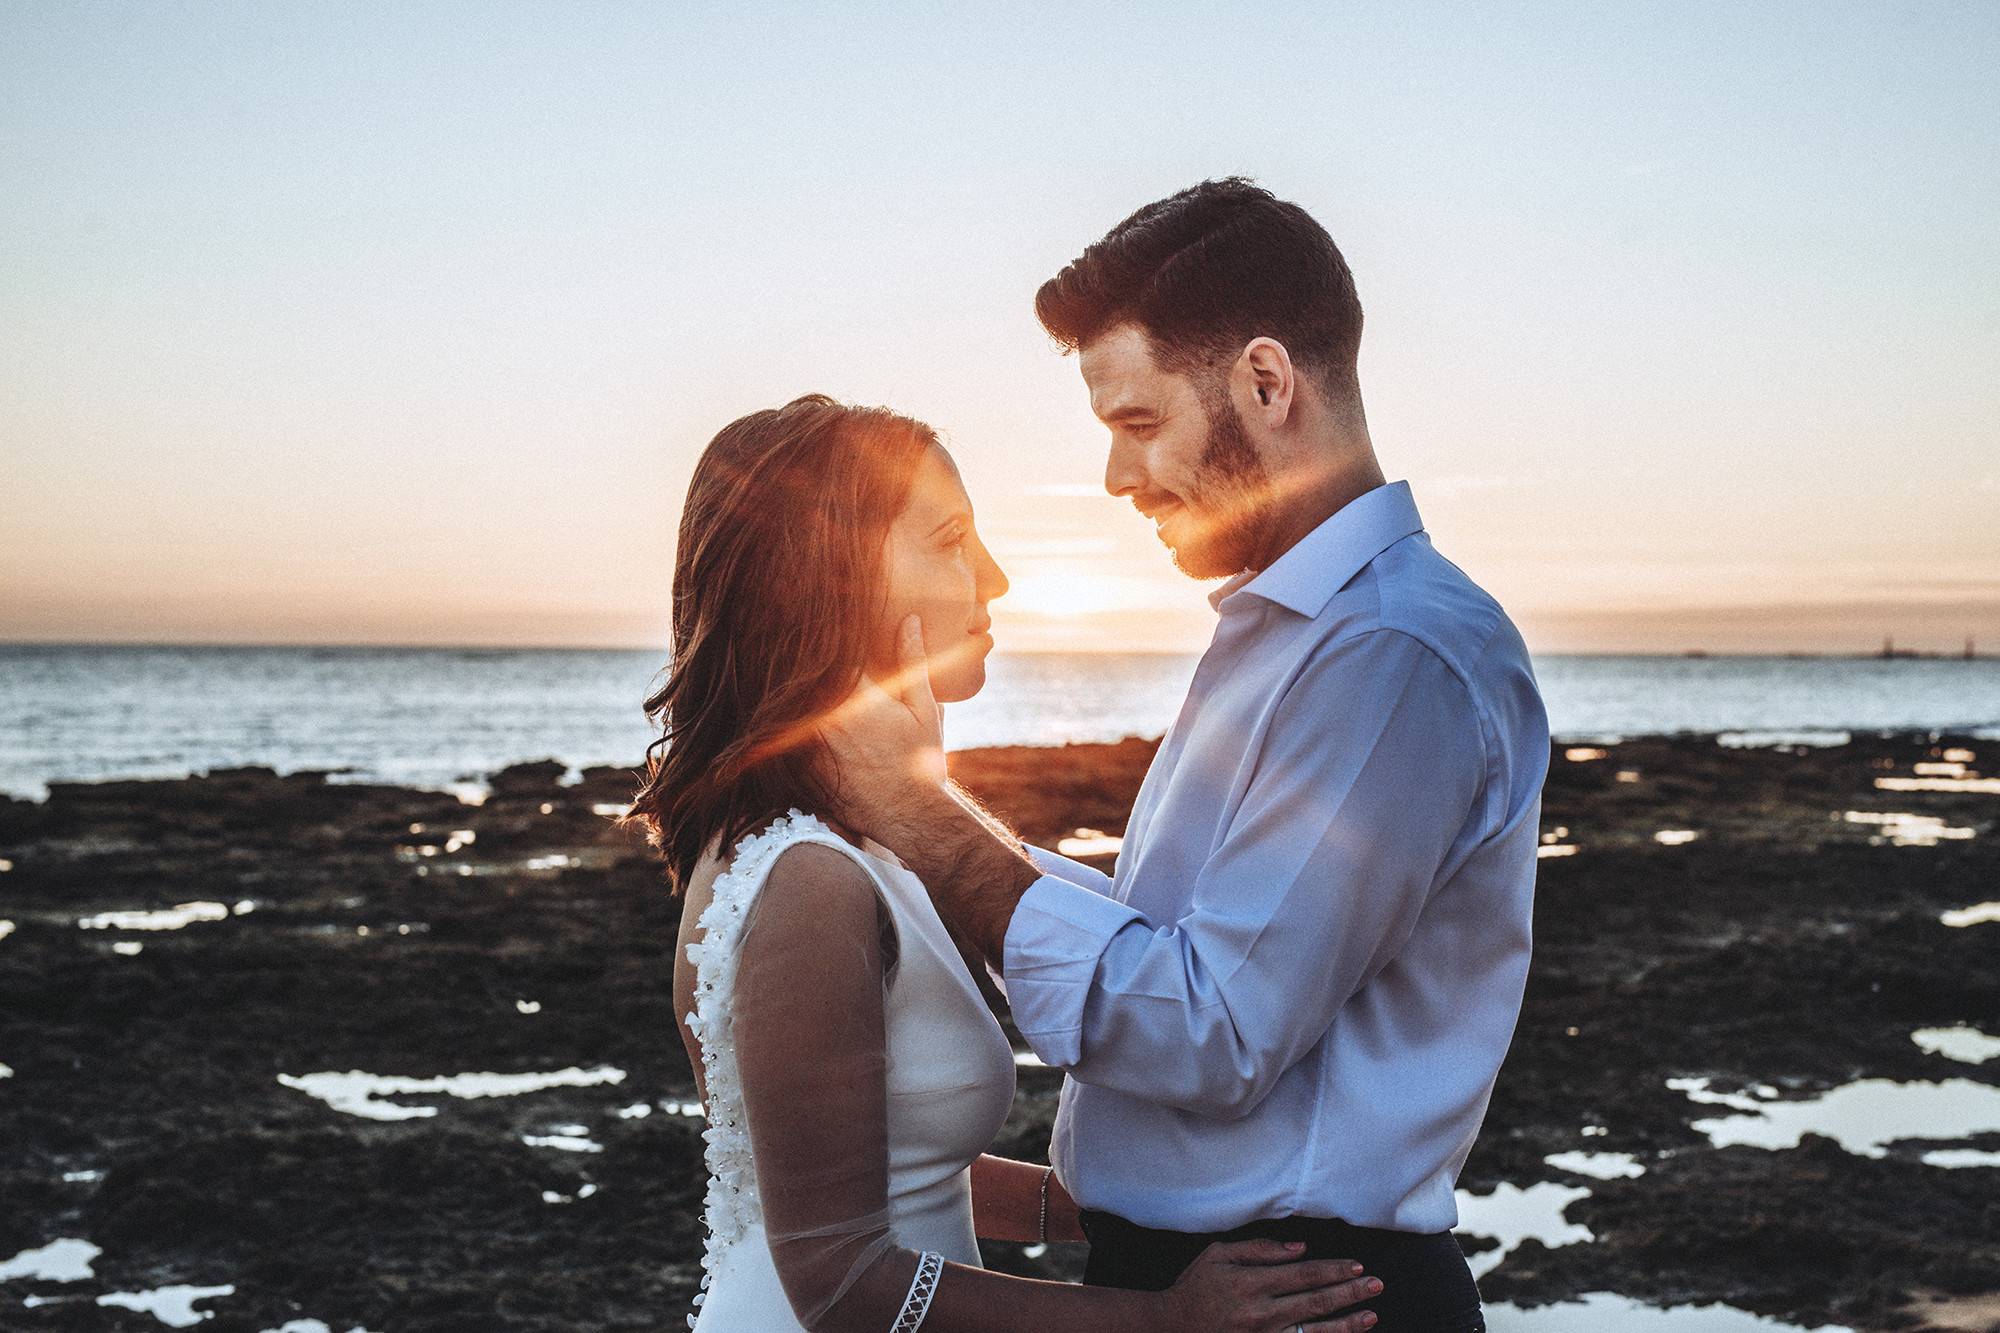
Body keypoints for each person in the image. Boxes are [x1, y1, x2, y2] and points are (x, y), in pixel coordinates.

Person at [818, 180, 1550, 1333]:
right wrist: (925, 809)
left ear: (1265, 382)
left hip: (1308, 1300)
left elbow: (1210, 1028)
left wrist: (919, 822)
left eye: (1137, 423)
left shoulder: (1389, 653)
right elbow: (1171, 943)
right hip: (1208, 1284)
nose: (1115, 478)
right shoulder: (1288, 634)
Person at [627, 394, 1384, 1333]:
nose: (996, 576)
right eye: (950, 540)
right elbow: (840, 1280)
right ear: (829, 575)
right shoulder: (808, 878)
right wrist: (1164, 1318)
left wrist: (1108, 1206)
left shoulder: (857, 845)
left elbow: (881, 1160)